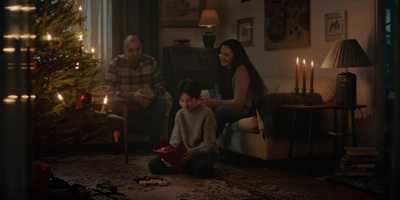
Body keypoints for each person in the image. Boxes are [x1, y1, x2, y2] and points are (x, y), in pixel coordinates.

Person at [105, 35, 171, 147]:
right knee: (112, 103)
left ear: (142, 48)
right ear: (124, 50)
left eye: (138, 49)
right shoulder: (115, 63)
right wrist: (132, 96)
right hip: (124, 106)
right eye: (131, 50)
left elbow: (160, 85)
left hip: (146, 105)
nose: (135, 54)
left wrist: (153, 96)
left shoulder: (150, 61)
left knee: (161, 101)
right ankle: (118, 144)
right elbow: (108, 90)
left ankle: (153, 143)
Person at [148, 79, 219, 179]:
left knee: (204, 170)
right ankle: (184, 166)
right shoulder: (180, 114)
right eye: (181, 100)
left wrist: (193, 152)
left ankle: (184, 167)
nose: (185, 105)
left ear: (198, 98)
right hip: (183, 153)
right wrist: (168, 155)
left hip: (200, 152)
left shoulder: (207, 114)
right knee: (153, 165)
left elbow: (209, 143)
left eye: (189, 100)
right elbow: (175, 141)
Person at [200, 39, 267, 138]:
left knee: (222, 111)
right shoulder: (225, 70)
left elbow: (238, 103)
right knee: (201, 109)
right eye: (220, 53)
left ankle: (205, 146)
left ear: (235, 56)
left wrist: (212, 102)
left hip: (250, 110)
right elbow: (221, 97)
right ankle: (191, 143)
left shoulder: (241, 70)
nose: (221, 57)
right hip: (238, 108)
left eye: (226, 55)